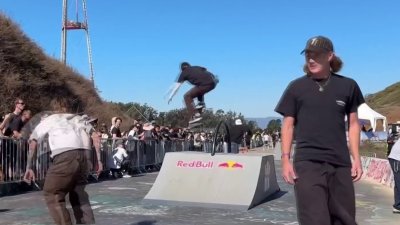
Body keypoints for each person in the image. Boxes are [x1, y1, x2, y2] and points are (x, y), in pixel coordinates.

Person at [275, 35, 364, 225]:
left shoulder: (348, 85)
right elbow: (288, 125)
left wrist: (356, 158)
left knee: (345, 218)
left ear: (330, 56)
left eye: (316, 55)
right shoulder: (296, 87)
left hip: (340, 162)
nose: (311, 59)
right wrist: (285, 159)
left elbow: (354, 124)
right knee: (314, 219)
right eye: (308, 55)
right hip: (308, 162)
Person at [23, 97, 102, 225]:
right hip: (85, 157)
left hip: (65, 156)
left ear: (54, 109)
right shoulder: (80, 119)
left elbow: (33, 142)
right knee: (78, 193)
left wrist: (28, 166)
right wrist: (99, 160)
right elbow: (96, 137)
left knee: (52, 193)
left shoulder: (50, 119)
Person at [388, 135, 400, 213]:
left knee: (398, 183)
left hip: (396, 158)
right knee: (399, 182)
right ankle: (397, 206)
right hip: (396, 159)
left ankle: (397, 206)